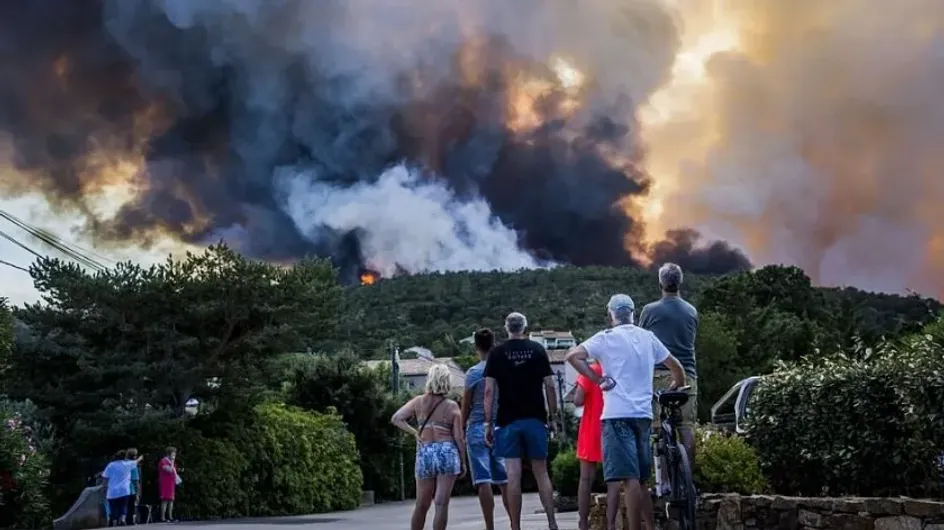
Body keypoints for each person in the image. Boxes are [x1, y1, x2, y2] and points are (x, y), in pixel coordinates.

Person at [565, 294, 686, 530]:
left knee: (628, 479)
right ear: (633, 313)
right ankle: (650, 527)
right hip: (643, 415)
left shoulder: (605, 338)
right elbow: (676, 368)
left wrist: (597, 379)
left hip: (616, 415)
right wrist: (676, 385)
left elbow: (572, 356)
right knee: (641, 481)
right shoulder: (648, 337)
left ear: (611, 314)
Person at [483, 312, 559, 530]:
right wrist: (552, 417)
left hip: (507, 421)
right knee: (541, 472)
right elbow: (550, 385)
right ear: (525, 327)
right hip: (535, 418)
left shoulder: (497, 353)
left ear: (506, 328)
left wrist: (488, 422)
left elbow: (488, 391)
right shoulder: (537, 350)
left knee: (513, 475)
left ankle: (515, 526)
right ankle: (552, 523)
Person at [391, 363, 466, 530]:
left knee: (421, 504)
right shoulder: (452, 406)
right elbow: (459, 438)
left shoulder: (418, 402)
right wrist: (463, 462)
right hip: (446, 450)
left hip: (425, 451)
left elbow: (396, 418)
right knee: (441, 504)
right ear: (447, 381)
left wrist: (414, 432)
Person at [638, 263, 699, 462]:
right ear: (680, 283)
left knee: (658, 428)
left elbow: (641, 341)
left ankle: (662, 481)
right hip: (687, 376)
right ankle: (689, 479)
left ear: (660, 283)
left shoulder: (649, 311)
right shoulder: (691, 311)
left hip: (658, 375)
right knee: (686, 427)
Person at [461, 328, 510, 530]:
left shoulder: (473, 373)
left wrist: (461, 426)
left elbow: (466, 405)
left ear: (476, 347)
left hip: (477, 427)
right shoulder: (504, 369)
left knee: (483, 480)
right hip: (500, 426)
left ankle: (490, 526)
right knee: (504, 479)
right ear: (494, 344)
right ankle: (513, 522)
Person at [574, 359, 604, 530]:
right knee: (615, 479)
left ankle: (583, 522)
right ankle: (613, 521)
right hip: (611, 429)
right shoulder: (614, 370)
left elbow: (578, 400)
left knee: (585, 480)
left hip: (591, 429)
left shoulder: (590, 371)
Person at [101, 450, 143, 527]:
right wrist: (140, 458)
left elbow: (105, 477)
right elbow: (136, 462)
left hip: (112, 491)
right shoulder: (127, 464)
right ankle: (123, 519)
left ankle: (114, 520)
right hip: (124, 490)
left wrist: (104, 486)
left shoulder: (111, 465)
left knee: (113, 506)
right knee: (124, 505)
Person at [158, 447, 181, 523]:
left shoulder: (171, 462)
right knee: (165, 500)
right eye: (173, 453)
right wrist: (172, 461)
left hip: (171, 483)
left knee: (171, 500)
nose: (174, 455)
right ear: (168, 453)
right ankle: (162, 517)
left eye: (175, 453)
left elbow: (174, 471)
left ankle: (170, 517)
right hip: (165, 483)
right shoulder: (163, 461)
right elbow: (169, 470)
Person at [125, 448, 141, 525]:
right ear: (134, 456)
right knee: (131, 507)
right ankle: (130, 521)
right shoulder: (133, 466)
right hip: (130, 489)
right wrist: (138, 493)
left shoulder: (123, 463)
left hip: (121, 489)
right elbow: (136, 480)